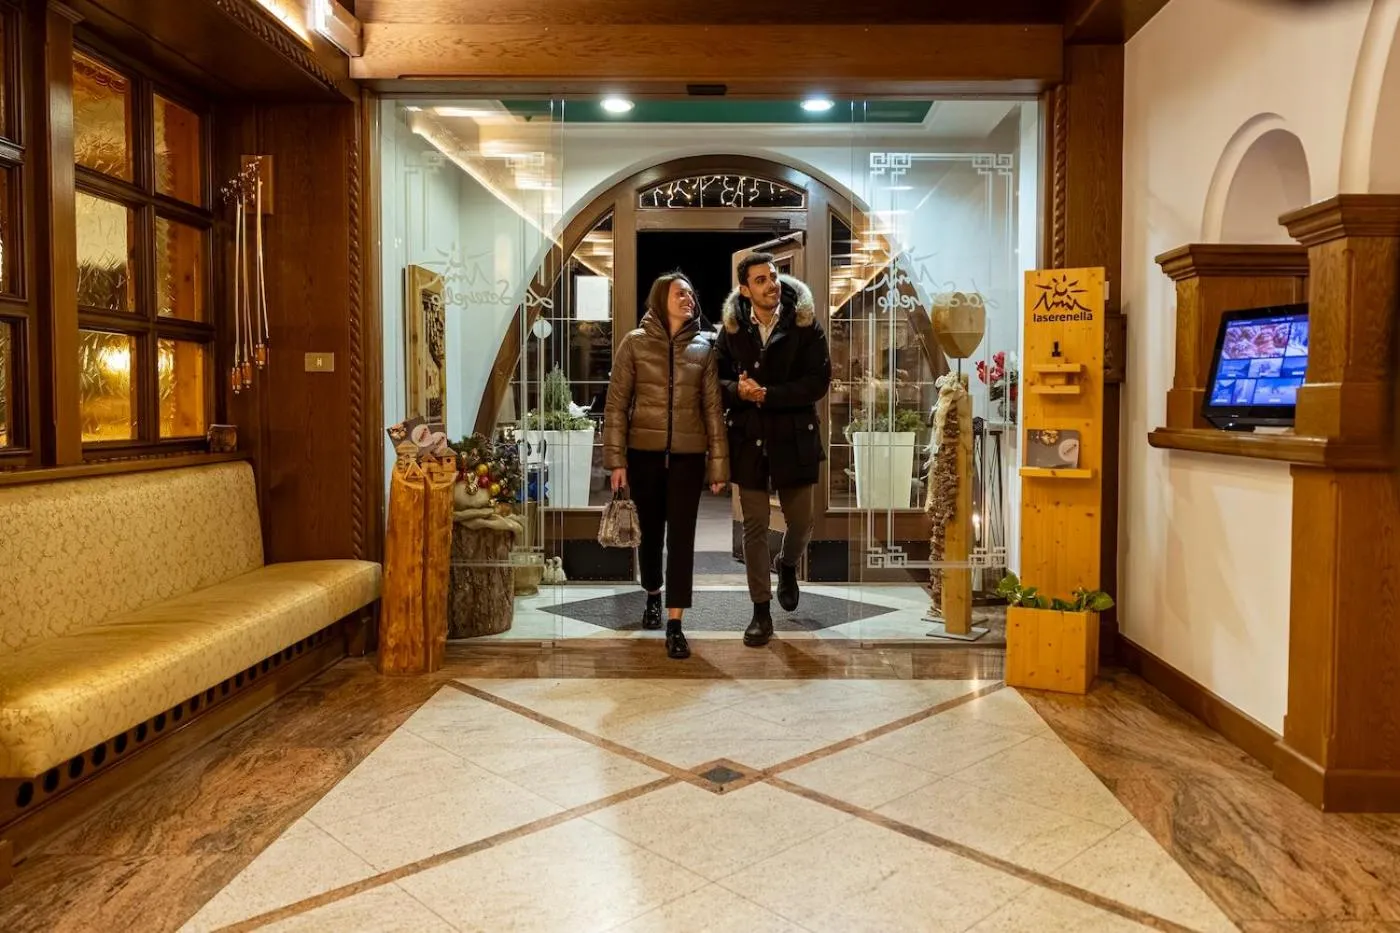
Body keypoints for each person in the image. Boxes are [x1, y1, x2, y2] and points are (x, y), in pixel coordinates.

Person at [604, 271, 729, 660]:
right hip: (643, 455)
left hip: (689, 458)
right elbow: (616, 404)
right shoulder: (634, 344)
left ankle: (675, 623)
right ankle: (653, 595)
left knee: (682, 538)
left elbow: (713, 409)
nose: (688, 298)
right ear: (661, 298)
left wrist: (719, 466)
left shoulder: (705, 348)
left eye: (691, 293)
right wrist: (616, 460)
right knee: (651, 534)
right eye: (680, 293)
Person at [717, 253, 832, 648]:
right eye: (761, 280)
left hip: (794, 436)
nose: (771, 285)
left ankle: (786, 565)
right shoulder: (731, 331)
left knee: (801, 521)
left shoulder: (805, 324)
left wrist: (770, 394)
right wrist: (738, 390)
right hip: (749, 439)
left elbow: (819, 380)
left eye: (774, 277)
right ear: (745, 290)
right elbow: (716, 380)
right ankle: (760, 612)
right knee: (754, 527)